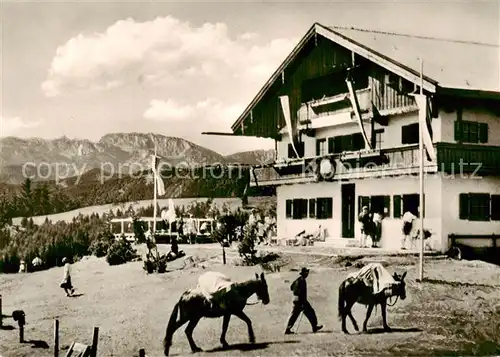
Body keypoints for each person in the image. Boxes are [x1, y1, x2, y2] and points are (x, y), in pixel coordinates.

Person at [285, 267, 323, 334]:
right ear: (304, 273)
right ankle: (314, 327)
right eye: (306, 272)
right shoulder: (302, 281)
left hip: (295, 299)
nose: (307, 274)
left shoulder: (297, 280)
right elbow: (302, 293)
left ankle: (288, 329)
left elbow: (291, 287)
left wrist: (295, 291)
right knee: (311, 312)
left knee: (294, 315)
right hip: (301, 301)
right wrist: (303, 303)